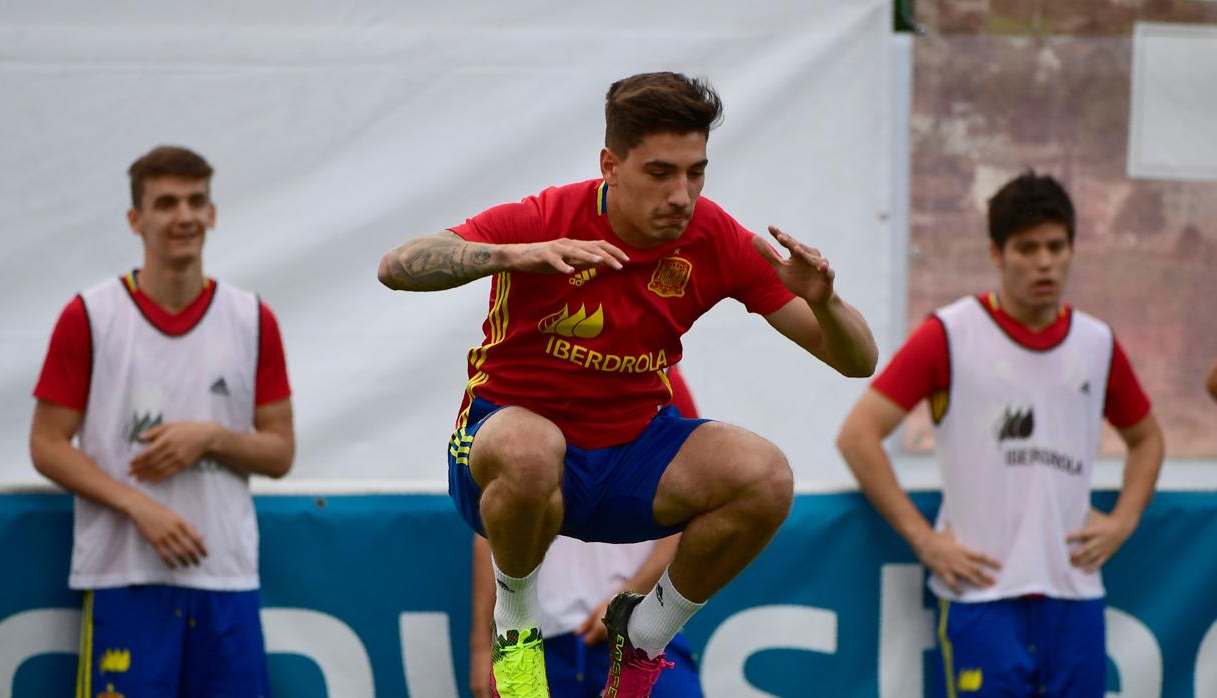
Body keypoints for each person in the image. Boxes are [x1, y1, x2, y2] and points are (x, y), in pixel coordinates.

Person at [378, 71, 877, 696]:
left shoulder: (714, 236)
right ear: (610, 165)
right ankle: (517, 629)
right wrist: (513, 254)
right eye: (661, 172)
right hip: (505, 458)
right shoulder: (548, 215)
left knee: (767, 475)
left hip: (627, 461)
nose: (682, 193)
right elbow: (395, 267)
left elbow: (858, 362)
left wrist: (826, 302)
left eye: (696, 172)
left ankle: (643, 638)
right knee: (531, 448)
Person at [837, 171, 1164, 697]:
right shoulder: (949, 333)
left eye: (1057, 246)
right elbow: (858, 436)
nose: (1045, 262)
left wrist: (1124, 520)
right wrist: (924, 540)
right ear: (996, 253)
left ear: (1073, 249)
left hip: (1072, 592)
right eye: (1027, 248)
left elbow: (1148, 438)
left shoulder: (1097, 343)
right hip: (980, 595)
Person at [29, 146, 294, 697]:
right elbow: (47, 444)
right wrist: (139, 505)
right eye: (167, 203)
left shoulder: (251, 318)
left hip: (226, 576)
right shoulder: (90, 316)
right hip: (124, 576)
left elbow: (280, 452)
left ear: (213, 213)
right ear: (135, 219)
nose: (185, 217)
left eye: (197, 201)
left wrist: (212, 438)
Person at [469, 368, 704, 697]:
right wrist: (482, 644)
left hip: (640, 628)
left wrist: (629, 597)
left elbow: (690, 502)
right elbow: (490, 523)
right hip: (539, 639)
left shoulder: (661, 372)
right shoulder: (515, 365)